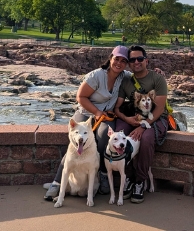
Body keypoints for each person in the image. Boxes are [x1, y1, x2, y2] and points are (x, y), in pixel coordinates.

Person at [44, 45, 132, 200]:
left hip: (106, 116)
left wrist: (156, 74)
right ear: (110, 58)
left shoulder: (124, 77)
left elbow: (142, 76)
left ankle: (103, 174)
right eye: (116, 59)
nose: (119, 63)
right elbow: (81, 97)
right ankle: (57, 182)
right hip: (86, 113)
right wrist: (96, 112)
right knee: (76, 144)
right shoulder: (96, 75)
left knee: (105, 135)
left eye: (123, 61)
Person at [114, 45, 169, 204]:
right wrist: (126, 119)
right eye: (132, 60)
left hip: (155, 119)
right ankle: (128, 177)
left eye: (139, 59)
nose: (136, 62)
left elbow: (158, 108)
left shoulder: (157, 79)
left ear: (146, 60)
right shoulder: (126, 81)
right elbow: (117, 107)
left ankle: (140, 180)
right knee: (120, 137)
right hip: (133, 117)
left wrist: (143, 126)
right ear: (129, 63)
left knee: (145, 140)